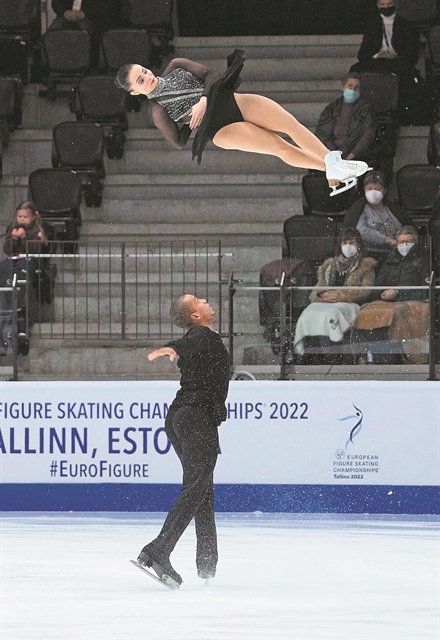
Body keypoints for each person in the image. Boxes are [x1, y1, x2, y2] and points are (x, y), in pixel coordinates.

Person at [115, 50, 371, 195]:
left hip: (233, 101)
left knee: (291, 125)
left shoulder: (175, 65)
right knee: (279, 146)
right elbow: (179, 142)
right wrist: (191, 119)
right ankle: (330, 169)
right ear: (135, 93)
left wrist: (203, 100)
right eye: (140, 80)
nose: (147, 77)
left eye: (144, 71)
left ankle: (333, 164)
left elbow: (211, 75)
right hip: (221, 129)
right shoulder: (158, 110)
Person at [136, 294, 230, 588]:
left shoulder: (201, 339)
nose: (204, 300)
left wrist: (177, 348)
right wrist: (172, 348)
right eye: (198, 300)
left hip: (180, 416)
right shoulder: (203, 336)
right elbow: (189, 344)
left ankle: (207, 565)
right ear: (194, 316)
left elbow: (190, 347)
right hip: (196, 417)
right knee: (196, 488)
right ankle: (159, 550)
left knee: (203, 491)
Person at [351, 226, 430, 363]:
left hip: (412, 302)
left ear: (416, 243)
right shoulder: (390, 259)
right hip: (386, 301)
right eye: (401, 242)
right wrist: (383, 294)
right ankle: (364, 356)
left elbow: (425, 290)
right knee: (364, 312)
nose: (404, 246)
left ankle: (402, 358)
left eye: (408, 242)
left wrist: (398, 293)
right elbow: (378, 286)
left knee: (396, 312)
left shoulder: (424, 260)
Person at [293, 228, 375, 356]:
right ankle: (314, 354)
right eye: (345, 243)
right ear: (340, 245)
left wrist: (341, 296)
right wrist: (320, 296)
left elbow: (366, 291)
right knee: (308, 313)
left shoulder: (366, 265)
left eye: (352, 243)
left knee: (332, 314)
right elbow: (318, 287)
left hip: (349, 302)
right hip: (326, 301)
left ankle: (334, 353)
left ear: (358, 245)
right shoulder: (329, 265)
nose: (348, 246)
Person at [343, 169, 409, 263]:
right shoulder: (359, 209)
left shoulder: (393, 209)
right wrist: (386, 240)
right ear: (364, 189)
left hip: (395, 254)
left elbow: (404, 227)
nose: (373, 193)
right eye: (369, 189)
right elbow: (361, 230)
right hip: (368, 255)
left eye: (378, 189)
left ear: (384, 190)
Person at [315, 71, 377, 165]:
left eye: (357, 87)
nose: (353, 90)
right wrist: (335, 157)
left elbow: (368, 136)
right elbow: (324, 135)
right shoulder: (332, 108)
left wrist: (350, 158)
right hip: (333, 156)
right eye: (350, 86)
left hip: (357, 156)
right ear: (343, 87)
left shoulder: (366, 108)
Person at [351, 0, 419, 78]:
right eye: (383, 4)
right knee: (354, 70)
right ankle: (350, 91)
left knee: (407, 71)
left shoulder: (405, 24)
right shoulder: (372, 25)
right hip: (377, 61)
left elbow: (411, 53)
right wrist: (377, 55)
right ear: (378, 5)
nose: (386, 7)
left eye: (390, 3)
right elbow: (362, 54)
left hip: (398, 62)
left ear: (395, 4)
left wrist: (396, 55)